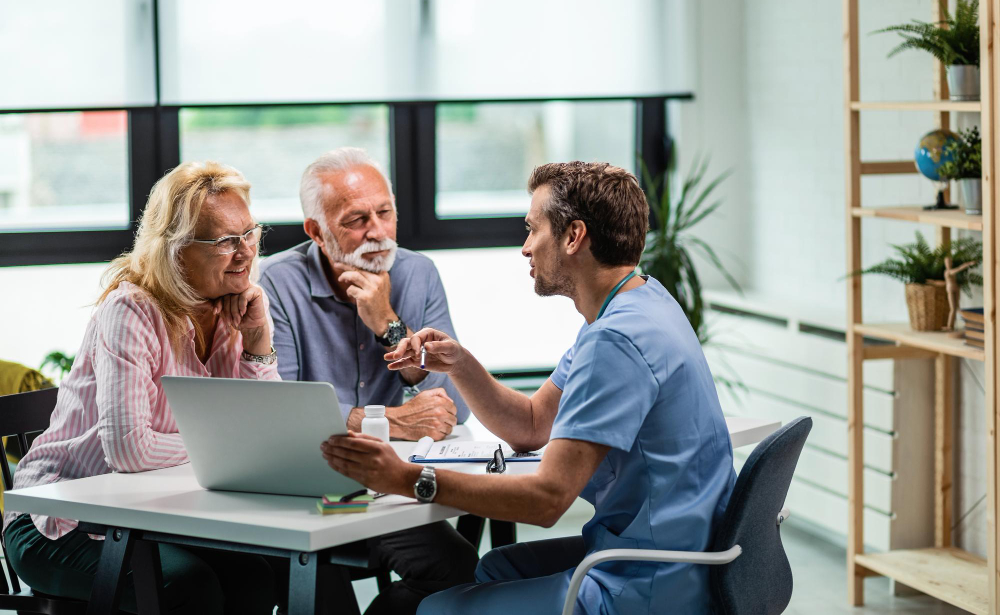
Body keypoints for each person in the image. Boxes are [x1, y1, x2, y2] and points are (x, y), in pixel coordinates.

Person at [321, 161, 737, 614]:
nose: (524, 248)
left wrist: (406, 478)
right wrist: (460, 364)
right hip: (676, 552)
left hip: (650, 580)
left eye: (532, 229)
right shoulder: (638, 302)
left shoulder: (615, 341)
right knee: (493, 568)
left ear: (573, 236)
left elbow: (546, 501)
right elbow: (532, 424)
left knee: (434, 609)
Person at [2, 161, 278, 615]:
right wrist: (226, 447)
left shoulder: (236, 304)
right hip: (58, 521)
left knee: (258, 576)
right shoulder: (130, 310)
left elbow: (264, 434)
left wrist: (257, 343)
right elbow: (129, 451)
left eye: (250, 233)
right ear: (176, 249)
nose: (246, 252)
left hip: (152, 516)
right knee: (189, 587)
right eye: (226, 240)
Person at [259, 147, 478, 615]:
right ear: (316, 232)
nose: (377, 233)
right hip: (312, 491)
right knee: (315, 569)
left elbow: (455, 403)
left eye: (385, 213)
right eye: (357, 219)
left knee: (458, 565)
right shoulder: (276, 283)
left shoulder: (418, 274)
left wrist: (389, 325)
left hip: (386, 488)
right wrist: (389, 421)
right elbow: (282, 411)